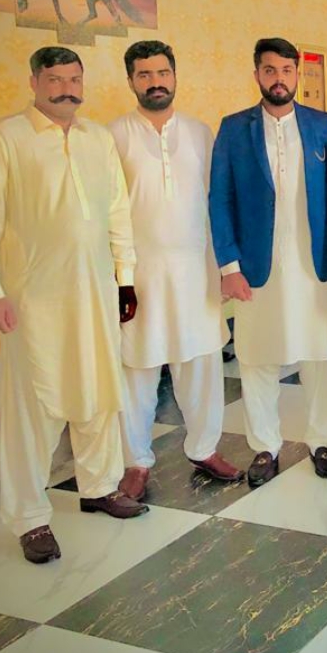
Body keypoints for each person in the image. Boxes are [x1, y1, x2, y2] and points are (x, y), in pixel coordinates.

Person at [0, 47, 146, 563]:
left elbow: (118, 212)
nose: (66, 89)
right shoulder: (7, 137)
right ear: (34, 82)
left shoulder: (97, 138)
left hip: (95, 292)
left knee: (98, 390)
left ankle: (99, 487)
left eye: (74, 79)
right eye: (55, 79)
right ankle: (30, 517)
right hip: (32, 299)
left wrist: (125, 279)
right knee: (32, 407)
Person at [110, 40, 243, 499]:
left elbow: (218, 204)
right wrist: (119, 278)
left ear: (174, 76)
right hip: (139, 276)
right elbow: (109, 211)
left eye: (162, 73)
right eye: (144, 75)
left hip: (195, 271)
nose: (155, 82)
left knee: (201, 365)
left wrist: (226, 266)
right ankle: (136, 462)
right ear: (131, 80)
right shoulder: (114, 135)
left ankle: (204, 448)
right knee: (138, 369)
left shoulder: (201, 132)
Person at [209, 37, 327, 488]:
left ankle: (321, 440)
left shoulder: (323, 125)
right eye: (270, 70)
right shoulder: (233, 129)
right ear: (257, 75)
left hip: (314, 262)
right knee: (256, 356)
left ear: (297, 74)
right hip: (256, 265)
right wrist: (229, 267)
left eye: (286, 70)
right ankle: (265, 445)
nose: (279, 78)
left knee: (321, 355)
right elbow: (220, 199)